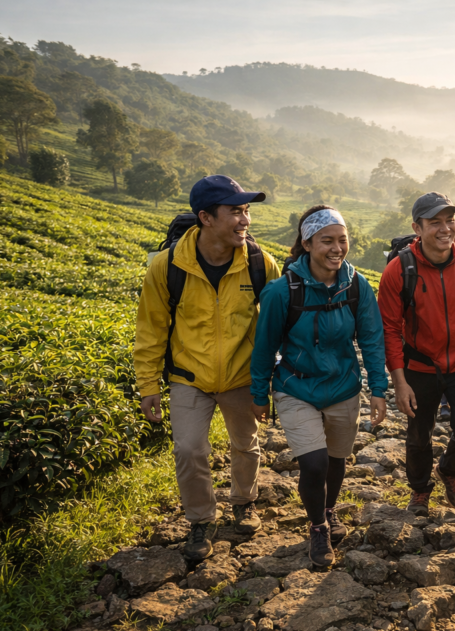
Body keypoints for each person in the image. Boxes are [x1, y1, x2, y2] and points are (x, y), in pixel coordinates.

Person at [135, 175, 281, 561]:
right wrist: (148, 384)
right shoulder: (168, 267)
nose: (245, 220)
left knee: (245, 445)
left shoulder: (260, 264)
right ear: (206, 217)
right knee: (188, 449)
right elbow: (151, 329)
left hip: (241, 375)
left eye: (246, 210)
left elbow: (274, 328)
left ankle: (244, 502)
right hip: (189, 376)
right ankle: (201, 521)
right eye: (235, 211)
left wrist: (268, 381)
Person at [250, 205, 387, 568]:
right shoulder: (281, 292)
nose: (336, 248)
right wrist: (258, 392)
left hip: (342, 386)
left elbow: (372, 339)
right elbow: (264, 346)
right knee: (314, 463)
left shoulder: (356, 285)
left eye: (342, 240)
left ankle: (328, 509)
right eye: (327, 240)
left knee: (337, 460)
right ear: (307, 243)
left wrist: (378, 388)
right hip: (296, 387)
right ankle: (317, 527)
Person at [378, 192, 455, 515]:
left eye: (450, 220)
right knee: (419, 436)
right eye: (435, 222)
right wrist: (399, 381)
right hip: (419, 365)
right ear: (417, 228)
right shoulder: (398, 271)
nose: (445, 228)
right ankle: (419, 490)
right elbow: (389, 329)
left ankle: (447, 470)